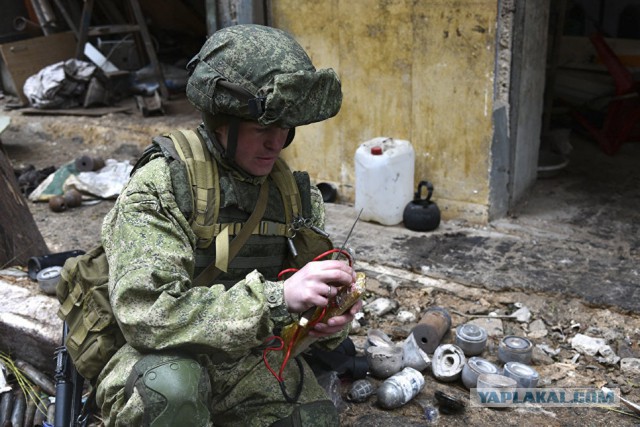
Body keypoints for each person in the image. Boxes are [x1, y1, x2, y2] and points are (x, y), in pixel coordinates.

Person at [95, 24, 361, 426]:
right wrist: (278, 299)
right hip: (163, 357)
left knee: (314, 418)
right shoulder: (165, 185)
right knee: (173, 394)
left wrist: (325, 322)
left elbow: (301, 314)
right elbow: (147, 314)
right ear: (221, 122)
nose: (277, 142)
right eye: (262, 129)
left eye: (285, 128)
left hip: (246, 360)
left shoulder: (293, 195)